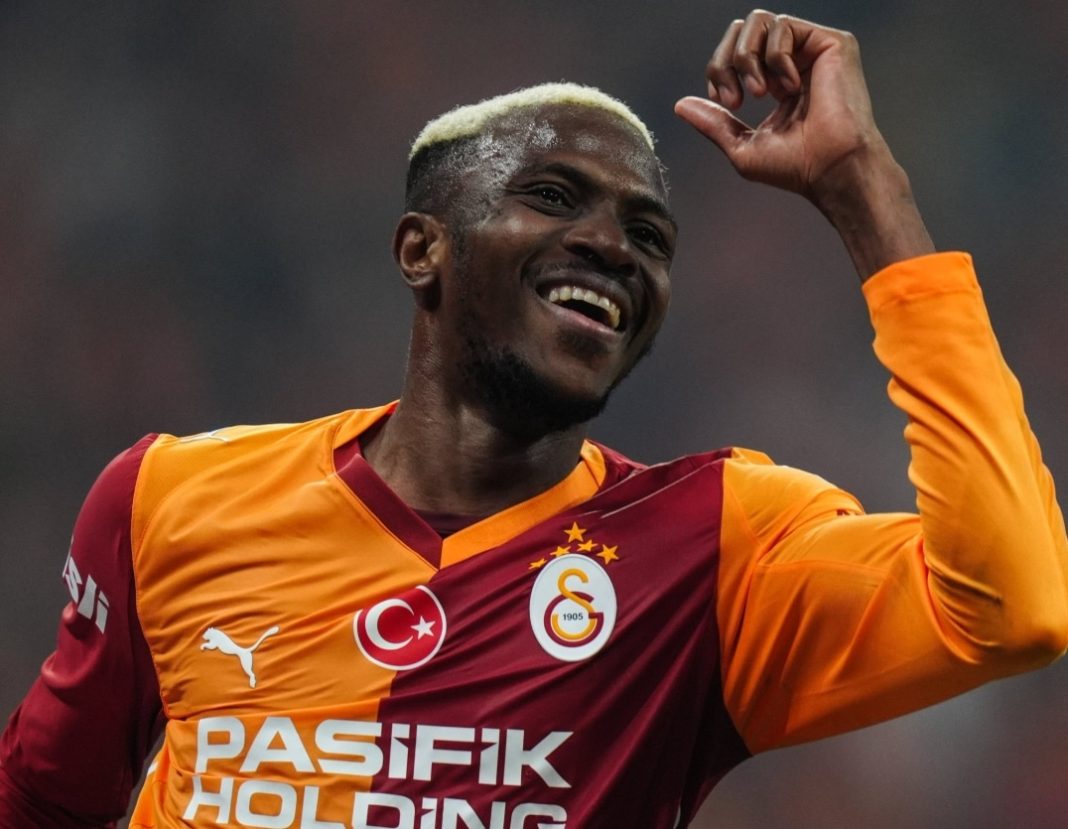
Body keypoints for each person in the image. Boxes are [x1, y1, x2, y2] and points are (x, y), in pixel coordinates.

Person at [2, 10, 1066, 828]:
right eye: (554, 196)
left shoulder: (712, 550)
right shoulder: (167, 497)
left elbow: (1014, 605)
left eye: (650, 236)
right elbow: (45, 802)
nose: (613, 244)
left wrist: (864, 188)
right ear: (422, 249)